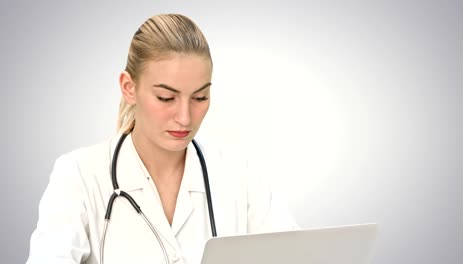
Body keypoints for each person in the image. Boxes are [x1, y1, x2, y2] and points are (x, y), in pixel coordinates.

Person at [26, 14, 298, 264]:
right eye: (166, 98)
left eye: (200, 97)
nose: (185, 117)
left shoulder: (240, 176)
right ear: (129, 88)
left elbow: (299, 255)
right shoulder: (79, 175)